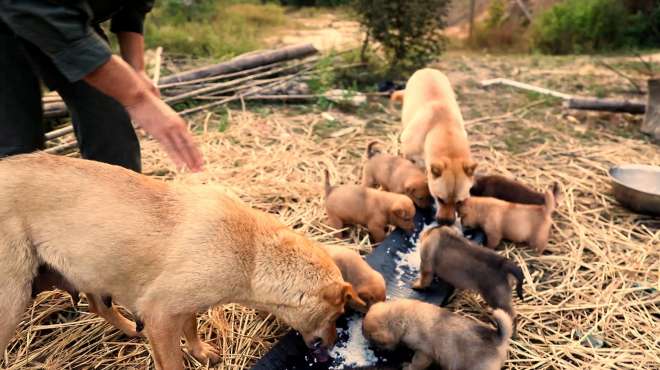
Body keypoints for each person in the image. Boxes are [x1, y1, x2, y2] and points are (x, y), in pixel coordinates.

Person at [0, 0, 203, 172]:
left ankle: (121, 208)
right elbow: (33, 7)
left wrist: (136, 69)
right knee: (17, 152)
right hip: (27, 13)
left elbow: (133, 7)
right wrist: (138, 98)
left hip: (67, 19)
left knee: (110, 122)